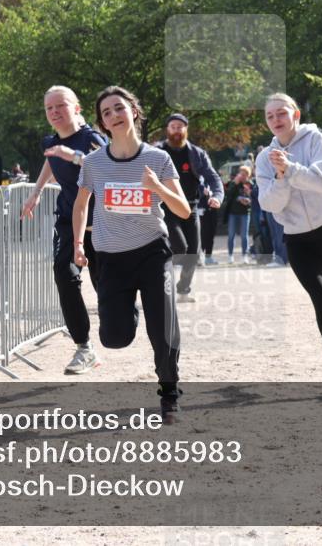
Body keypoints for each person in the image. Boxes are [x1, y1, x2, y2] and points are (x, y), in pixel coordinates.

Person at [73, 86, 188, 419]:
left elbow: (182, 211)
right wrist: (79, 244)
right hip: (110, 257)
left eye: (119, 108)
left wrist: (157, 188)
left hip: (153, 252)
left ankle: (169, 393)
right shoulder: (94, 163)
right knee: (114, 338)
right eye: (106, 112)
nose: (114, 115)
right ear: (103, 124)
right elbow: (81, 205)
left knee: (163, 328)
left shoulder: (158, 159)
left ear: (133, 112)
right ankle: (131, 306)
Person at [255, 93, 322, 396]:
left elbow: (321, 182)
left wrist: (290, 169)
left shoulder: (315, 140)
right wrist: (281, 175)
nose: (276, 120)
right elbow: (270, 203)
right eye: (270, 116)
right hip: (298, 238)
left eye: (281, 113)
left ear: (295, 115)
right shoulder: (265, 158)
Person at [22, 85, 108, 374]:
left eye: (61, 105)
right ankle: (84, 347)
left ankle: (122, 310)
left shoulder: (91, 138)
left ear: (77, 108)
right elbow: (51, 159)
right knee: (64, 274)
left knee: (104, 286)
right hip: (70, 221)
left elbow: (107, 168)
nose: (55, 112)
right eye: (49, 108)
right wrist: (35, 193)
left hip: (103, 222)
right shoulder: (51, 141)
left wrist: (71, 154)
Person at [155, 113, 224, 298]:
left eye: (180, 126)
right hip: (166, 207)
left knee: (193, 252)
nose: (177, 130)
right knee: (180, 247)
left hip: (190, 207)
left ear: (186, 129)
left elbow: (212, 177)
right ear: (167, 130)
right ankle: (159, 273)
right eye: (173, 127)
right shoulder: (158, 152)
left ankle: (183, 289)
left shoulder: (196, 154)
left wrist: (217, 195)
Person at [223, 166, 253, 263]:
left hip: (245, 213)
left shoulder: (250, 184)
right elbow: (228, 195)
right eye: (240, 174)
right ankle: (230, 256)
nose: (242, 176)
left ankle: (245, 256)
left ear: (248, 176)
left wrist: (249, 200)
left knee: (244, 235)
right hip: (233, 213)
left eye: (244, 175)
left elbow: (255, 198)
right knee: (231, 234)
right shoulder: (235, 183)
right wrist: (234, 184)